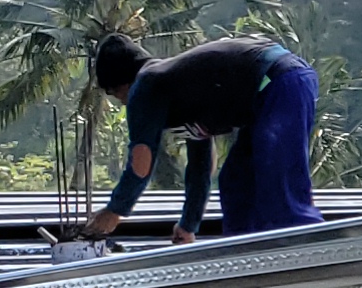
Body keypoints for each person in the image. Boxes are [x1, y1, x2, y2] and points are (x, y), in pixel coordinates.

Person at [81, 32, 322, 245]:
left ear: (123, 83)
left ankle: (311, 254)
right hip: (275, 90)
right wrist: (188, 225)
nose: (123, 103)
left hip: (279, 82)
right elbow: (200, 167)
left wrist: (114, 210)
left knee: (278, 184)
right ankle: (245, 254)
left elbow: (141, 164)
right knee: (236, 182)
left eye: (116, 95)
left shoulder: (146, 86)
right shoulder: (181, 89)